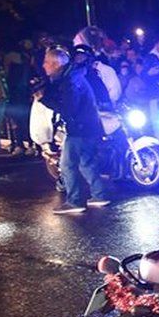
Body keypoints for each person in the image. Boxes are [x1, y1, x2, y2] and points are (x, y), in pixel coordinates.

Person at [38, 46, 111, 214]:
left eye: (47, 62)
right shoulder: (72, 76)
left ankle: (74, 201)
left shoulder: (70, 80)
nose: (44, 66)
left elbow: (69, 108)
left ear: (56, 64)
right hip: (88, 127)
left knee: (67, 165)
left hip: (80, 129)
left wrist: (44, 100)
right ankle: (99, 195)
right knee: (86, 162)